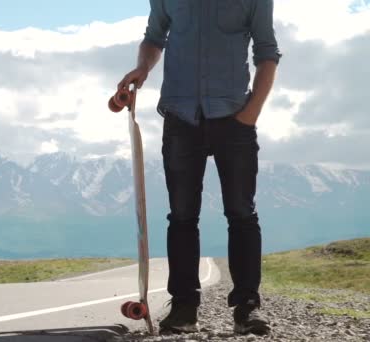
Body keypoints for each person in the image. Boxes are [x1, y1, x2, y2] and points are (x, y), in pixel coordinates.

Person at [118, 0, 281, 336]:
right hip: (180, 117)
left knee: (241, 213)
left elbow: (267, 52)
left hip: (234, 116)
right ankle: (183, 308)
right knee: (181, 215)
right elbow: (153, 38)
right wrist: (142, 69)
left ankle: (246, 309)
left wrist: (251, 113)